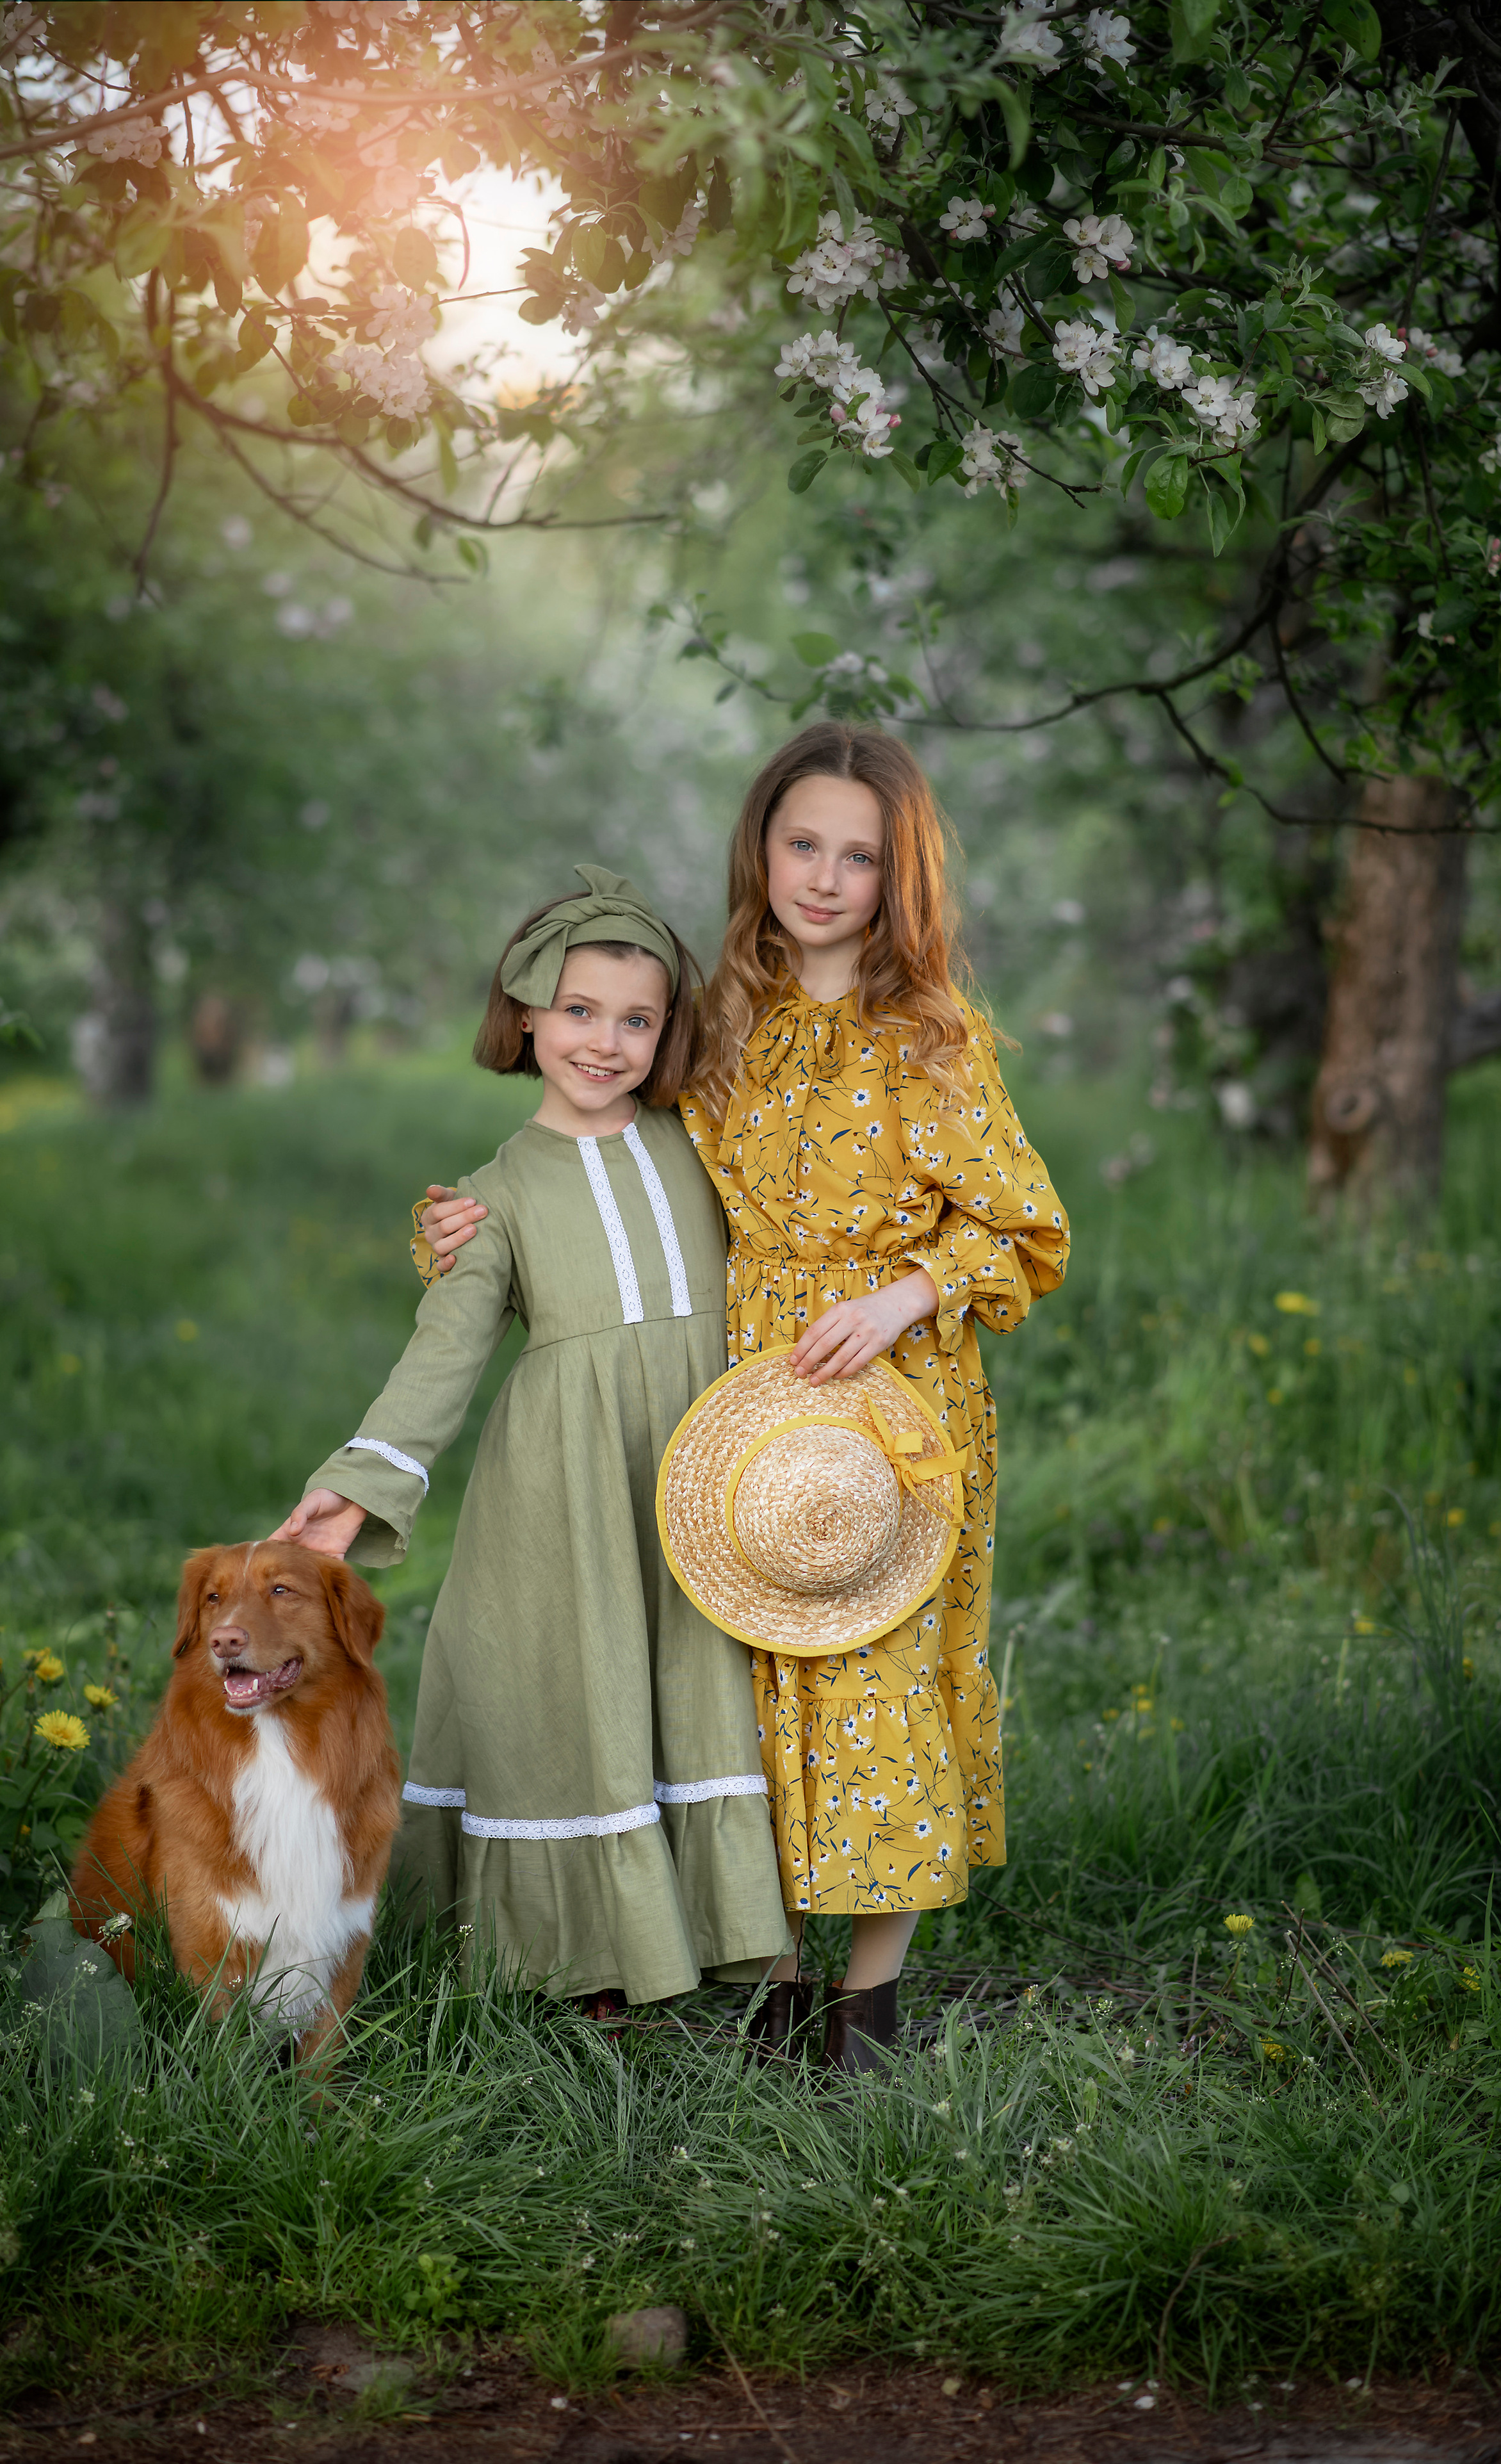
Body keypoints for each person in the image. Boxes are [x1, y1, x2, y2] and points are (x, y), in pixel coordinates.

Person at [422, 730, 1069, 2069]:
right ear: (757, 850)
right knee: (742, 1677)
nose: (824, 878)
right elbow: (598, 1151)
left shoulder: (929, 1038)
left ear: (900, 875)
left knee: (877, 1676)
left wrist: (900, 1296)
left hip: (884, 1395)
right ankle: (771, 1977)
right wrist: (464, 1224)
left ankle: (867, 2004)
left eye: (857, 854)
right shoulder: (713, 1020)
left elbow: (1025, 1231)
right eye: (800, 844)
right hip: (737, 1388)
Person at [272, 867, 789, 2016]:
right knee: (579, 1690)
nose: (605, 1043)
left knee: (701, 1683)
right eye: (579, 1011)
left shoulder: (703, 1142)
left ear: (669, 1034)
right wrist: (353, 1491)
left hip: (707, 1462)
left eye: (637, 1020)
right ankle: (587, 1958)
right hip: (571, 1484)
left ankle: (735, 1933)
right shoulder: (490, 1197)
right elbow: (443, 1356)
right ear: (527, 1019)